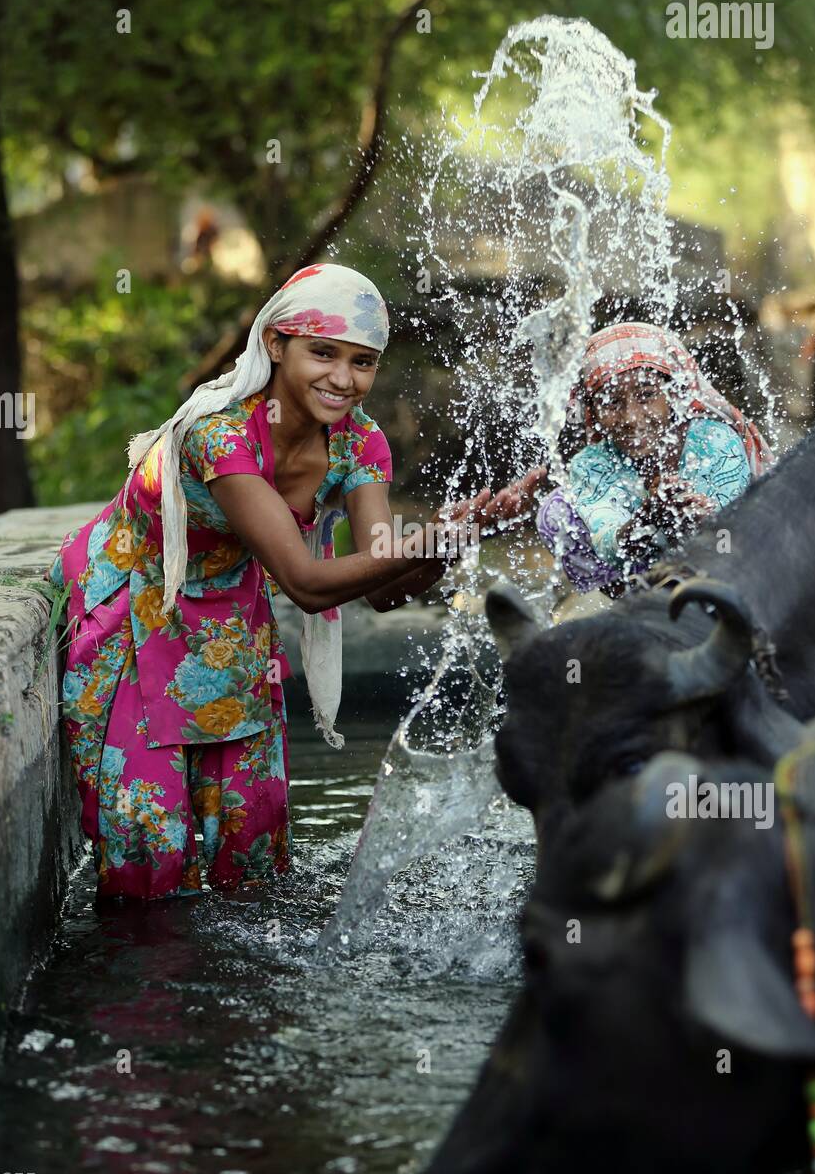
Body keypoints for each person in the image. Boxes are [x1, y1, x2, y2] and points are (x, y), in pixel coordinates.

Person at [45, 262, 486, 903]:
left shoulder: (360, 444)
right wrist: (425, 543)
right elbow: (307, 582)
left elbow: (381, 583)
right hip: (134, 610)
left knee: (250, 852)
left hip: (229, 618)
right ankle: (149, 990)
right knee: (148, 848)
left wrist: (454, 537)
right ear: (276, 345)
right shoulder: (220, 434)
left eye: (362, 362)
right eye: (323, 353)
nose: (343, 378)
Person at [483, 321, 775, 594]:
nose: (631, 418)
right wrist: (646, 519)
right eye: (611, 402)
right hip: (647, 575)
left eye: (647, 395)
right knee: (555, 511)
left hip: (733, 572)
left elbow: (732, 529)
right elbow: (608, 542)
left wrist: (696, 518)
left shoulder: (714, 439)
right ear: (593, 411)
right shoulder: (592, 464)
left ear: (672, 393)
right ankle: (636, 603)